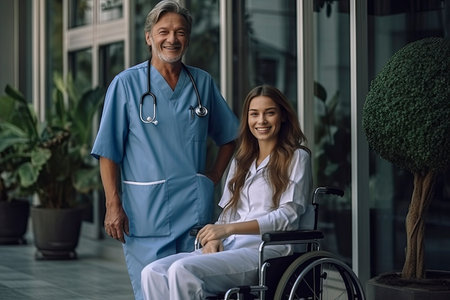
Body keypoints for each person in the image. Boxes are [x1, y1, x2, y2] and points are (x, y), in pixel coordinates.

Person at [90, 1, 239, 299]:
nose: (172, 39)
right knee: (152, 289)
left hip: (194, 215)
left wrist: (213, 174)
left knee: (192, 290)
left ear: (187, 38)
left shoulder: (202, 83)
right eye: (164, 31)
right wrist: (112, 203)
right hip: (146, 215)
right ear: (149, 38)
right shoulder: (126, 85)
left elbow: (231, 136)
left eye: (180, 32)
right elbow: (108, 151)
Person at [141, 85, 313, 299]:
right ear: (247, 119)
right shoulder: (241, 161)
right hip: (231, 247)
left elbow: (288, 218)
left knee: (182, 270)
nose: (261, 121)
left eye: (270, 113)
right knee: (152, 272)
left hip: (266, 251)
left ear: (283, 117)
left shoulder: (297, 158)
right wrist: (215, 237)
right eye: (254, 114)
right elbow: (228, 212)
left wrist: (228, 229)